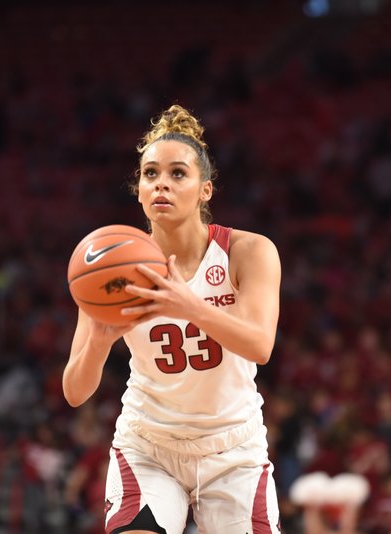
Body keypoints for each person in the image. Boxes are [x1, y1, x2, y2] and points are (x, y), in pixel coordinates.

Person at [63, 104, 282, 533]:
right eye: (150, 174)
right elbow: (74, 391)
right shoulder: (110, 265)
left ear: (206, 190)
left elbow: (260, 345)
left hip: (233, 450)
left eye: (178, 173)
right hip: (149, 446)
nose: (162, 182)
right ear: (140, 191)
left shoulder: (249, 252)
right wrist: (100, 342)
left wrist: (190, 306)